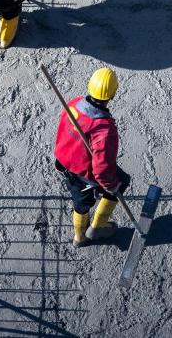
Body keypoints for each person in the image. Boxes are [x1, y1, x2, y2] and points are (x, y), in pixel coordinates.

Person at [53, 67, 131, 247]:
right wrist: (112, 187)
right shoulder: (104, 129)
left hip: (66, 163)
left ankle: (79, 237)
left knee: (80, 203)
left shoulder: (72, 104)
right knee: (121, 181)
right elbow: (102, 170)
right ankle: (98, 226)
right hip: (84, 173)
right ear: (112, 94)